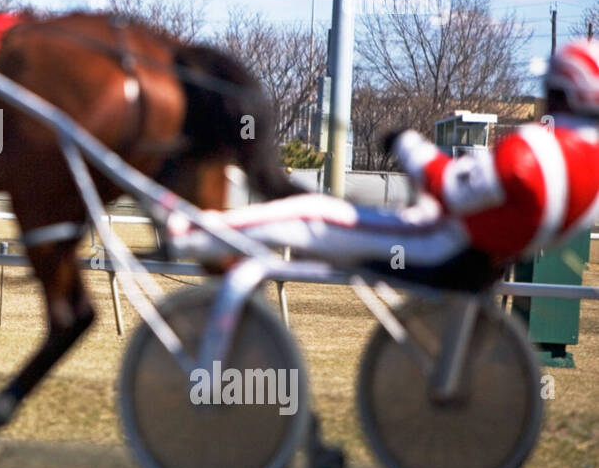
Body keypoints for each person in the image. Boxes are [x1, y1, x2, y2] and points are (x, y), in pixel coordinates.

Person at [167, 39, 599, 290]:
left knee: (314, 214)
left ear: (564, 93)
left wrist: (407, 143)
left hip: (442, 246)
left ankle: (187, 234)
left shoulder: (534, 151)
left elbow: (448, 184)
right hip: (479, 259)